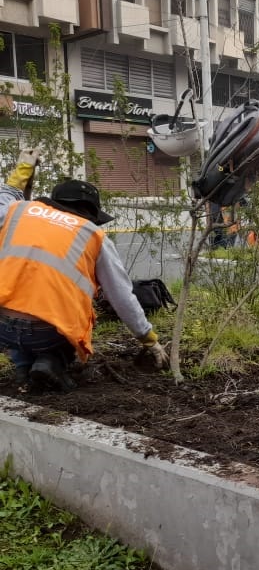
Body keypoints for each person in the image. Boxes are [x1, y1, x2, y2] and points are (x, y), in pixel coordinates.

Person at [0, 150, 169, 392]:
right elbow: (121, 296)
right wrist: (149, 339)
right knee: (79, 312)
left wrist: (24, 168)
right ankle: (51, 361)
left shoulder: (16, 212)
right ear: (90, 212)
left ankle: (22, 370)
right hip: (46, 333)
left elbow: (5, 194)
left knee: (17, 301)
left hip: (3, 328)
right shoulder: (93, 235)